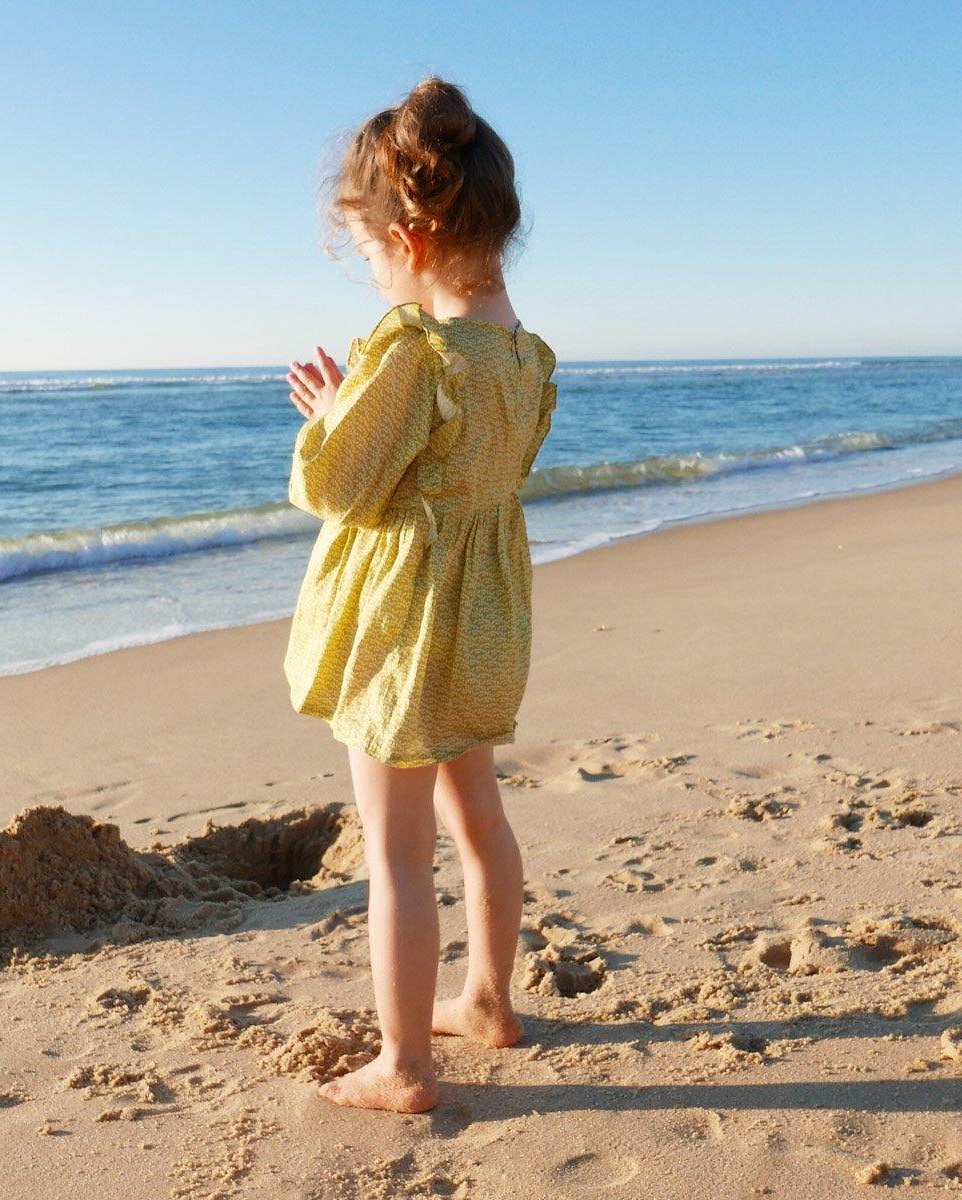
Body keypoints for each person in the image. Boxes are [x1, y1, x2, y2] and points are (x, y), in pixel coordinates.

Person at [282, 76, 558, 1113]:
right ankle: (486, 998)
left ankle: (402, 1064)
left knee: (396, 850)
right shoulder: (524, 355)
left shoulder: (413, 349)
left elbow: (340, 485)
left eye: (367, 252)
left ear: (412, 234)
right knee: (477, 814)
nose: (370, 274)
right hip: (482, 613)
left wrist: (333, 414)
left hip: (404, 625)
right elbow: (483, 465)